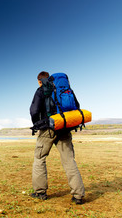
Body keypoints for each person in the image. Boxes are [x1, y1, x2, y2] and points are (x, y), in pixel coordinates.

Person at [29, 71, 85, 204]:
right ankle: (78, 195)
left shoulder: (41, 90)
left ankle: (40, 192)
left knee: (39, 158)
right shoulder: (65, 89)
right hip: (64, 128)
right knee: (69, 161)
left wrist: (38, 124)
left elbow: (34, 111)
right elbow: (76, 106)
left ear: (39, 80)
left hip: (47, 129)